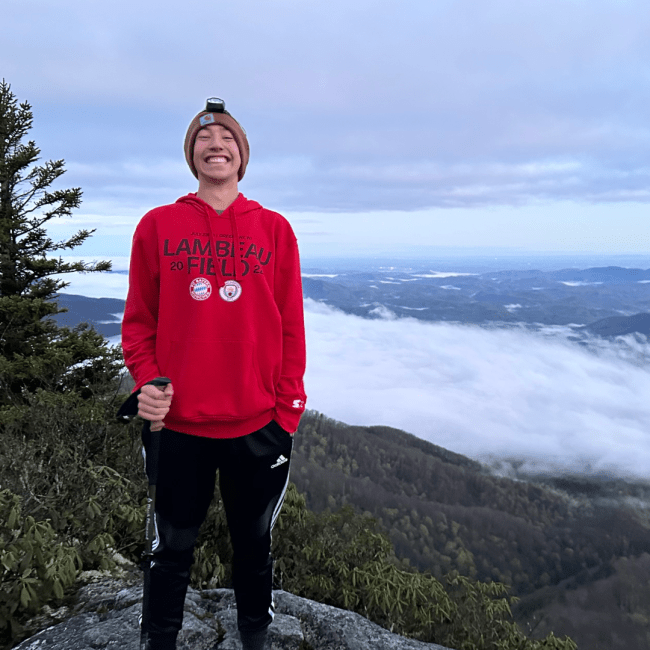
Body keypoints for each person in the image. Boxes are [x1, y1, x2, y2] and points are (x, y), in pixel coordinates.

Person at [121, 98, 307, 650]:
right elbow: (139, 323)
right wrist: (148, 384)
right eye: (204, 138)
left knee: (253, 544)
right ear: (192, 155)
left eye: (227, 137)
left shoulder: (274, 230)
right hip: (177, 428)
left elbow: (292, 328)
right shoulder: (158, 226)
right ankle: (160, 640)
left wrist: (287, 413)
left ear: (242, 156)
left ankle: (254, 637)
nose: (216, 144)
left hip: (258, 427)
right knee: (171, 546)